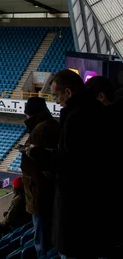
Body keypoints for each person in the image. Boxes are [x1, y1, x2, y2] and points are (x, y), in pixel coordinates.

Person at [27, 69, 114, 258]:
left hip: (78, 211)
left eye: (56, 95)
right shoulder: (95, 111)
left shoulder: (78, 117)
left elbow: (69, 162)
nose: (56, 101)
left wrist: (37, 153)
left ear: (68, 93)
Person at [20, 96, 60, 257]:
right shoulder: (51, 125)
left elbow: (41, 164)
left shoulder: (41, 130)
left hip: (40, 194)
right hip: (45, 193)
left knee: (42, 241)